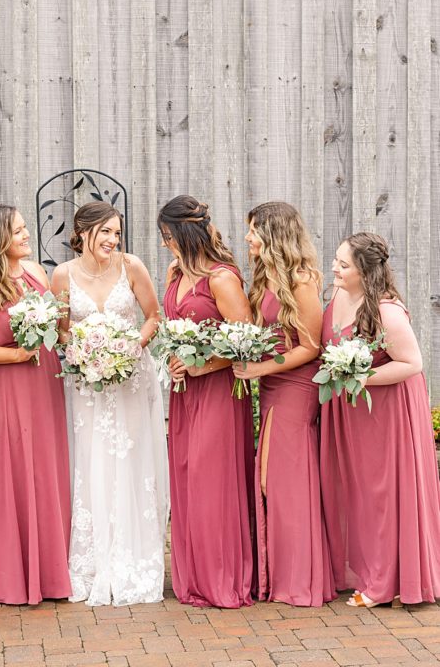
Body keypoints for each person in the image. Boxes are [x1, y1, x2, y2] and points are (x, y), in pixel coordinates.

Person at [51, 201, 168, 606]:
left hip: (130, 379)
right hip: (86, 385)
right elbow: (62, 332)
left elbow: (154, 315)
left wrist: (131, 345)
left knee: (130, 462)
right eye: (105, 232)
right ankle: (93, 560)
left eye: (117, 233)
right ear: (83, 233)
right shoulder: (62, 276)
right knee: (91, 462)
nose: (113, 240)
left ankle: (132, 557)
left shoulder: (131, 266)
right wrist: (84, 351)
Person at [0, 204, 71, 604]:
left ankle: (47, 570)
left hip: (43, 386)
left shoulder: (36, 272)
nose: (25, 234)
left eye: (24, 228)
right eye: (17, 230)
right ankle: (5, 573)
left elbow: (58, 324)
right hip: (4, 388)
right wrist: (16, 356)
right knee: (7, 472)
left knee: (42, 470)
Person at [320, 232, 440, 607]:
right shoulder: (340, 295)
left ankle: (385, 582)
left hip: (386, 414)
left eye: (343, 265)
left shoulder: (386, 311)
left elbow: (412, 364)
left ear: (364, 272)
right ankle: (367, 568)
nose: (335, 269)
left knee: (383, 494)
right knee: (357, 491)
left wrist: (357, 377)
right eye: (336, 261)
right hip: (353, 413)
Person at [233, 202, 335, 606]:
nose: (248, 238)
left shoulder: (302, 279)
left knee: (281, 478)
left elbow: (311, 347)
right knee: (269, 479)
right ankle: (278, 576)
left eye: (254, 230)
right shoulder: (264, 277)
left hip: (297, 385)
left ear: (274, 233)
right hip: (273, 384)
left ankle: (300, 580)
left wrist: (259, 368)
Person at [159, 195, 255, 608]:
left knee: (210, 481)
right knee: (186, 478)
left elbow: (247, 341)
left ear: (183, 232)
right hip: (184, 393)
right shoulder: (173, 272)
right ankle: (193, 577)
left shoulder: (221, 279)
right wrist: (173, 359)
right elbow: (170, 330)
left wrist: (204, 365)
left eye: (167, 236)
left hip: (218, 391)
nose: (164, 244)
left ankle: (222, 578)